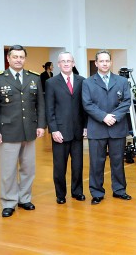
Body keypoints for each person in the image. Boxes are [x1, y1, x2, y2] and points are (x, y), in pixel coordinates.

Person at [0, 45, 46, 217]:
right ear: (9, 59)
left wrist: (41, 125)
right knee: (8, 170)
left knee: (28, 168)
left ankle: (25, 199)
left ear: (24, 59)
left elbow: (40, 104)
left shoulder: (33, 78)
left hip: (29, 130)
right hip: (8, 131)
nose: (18, 60)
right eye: (15, 57)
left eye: (21, 57)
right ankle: (9, 201)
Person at [82, 50, 132, 205]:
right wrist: (104, 116)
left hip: (117, 127)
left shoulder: (122, 81)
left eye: (107, 61)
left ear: (111, 63)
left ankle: (119, 190)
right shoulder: (88, 82)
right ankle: (97, 192)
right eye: (101, 61)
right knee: (97, 162)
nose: (104, 63)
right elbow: (87, 104)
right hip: (97, 128)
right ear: (96, 63)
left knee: (117, 162)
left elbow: (126, 102)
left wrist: (113, 117)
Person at [45, 52, 87, 204]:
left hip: (77, 130)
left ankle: (77, 192)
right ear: (58, 64)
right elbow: (49, 109)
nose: (66, 63)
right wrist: (54, 130)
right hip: (60, 132)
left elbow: (85, 107)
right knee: (60, 166)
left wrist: (86, 126)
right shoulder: (51, 83)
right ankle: (60, 195)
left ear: (73, 63)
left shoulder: (82, 81)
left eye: (69, 61)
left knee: (78, 165)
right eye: (63, 61)